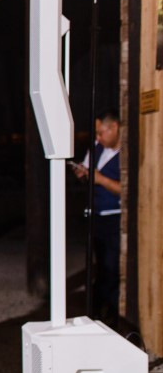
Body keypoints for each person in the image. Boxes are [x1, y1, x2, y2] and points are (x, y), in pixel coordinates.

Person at [71, 108, 122, 324]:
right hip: (96, 214)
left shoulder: (126, 152)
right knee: (99, 264)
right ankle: (95, 312)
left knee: (112, 266)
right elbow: (89, 170)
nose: (98, 138)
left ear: (115, 128)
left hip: (115, 216)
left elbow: (126, 189)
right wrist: (82, 173)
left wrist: (100, 180)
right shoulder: (97, 148)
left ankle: (111, 312)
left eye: (101, 133)